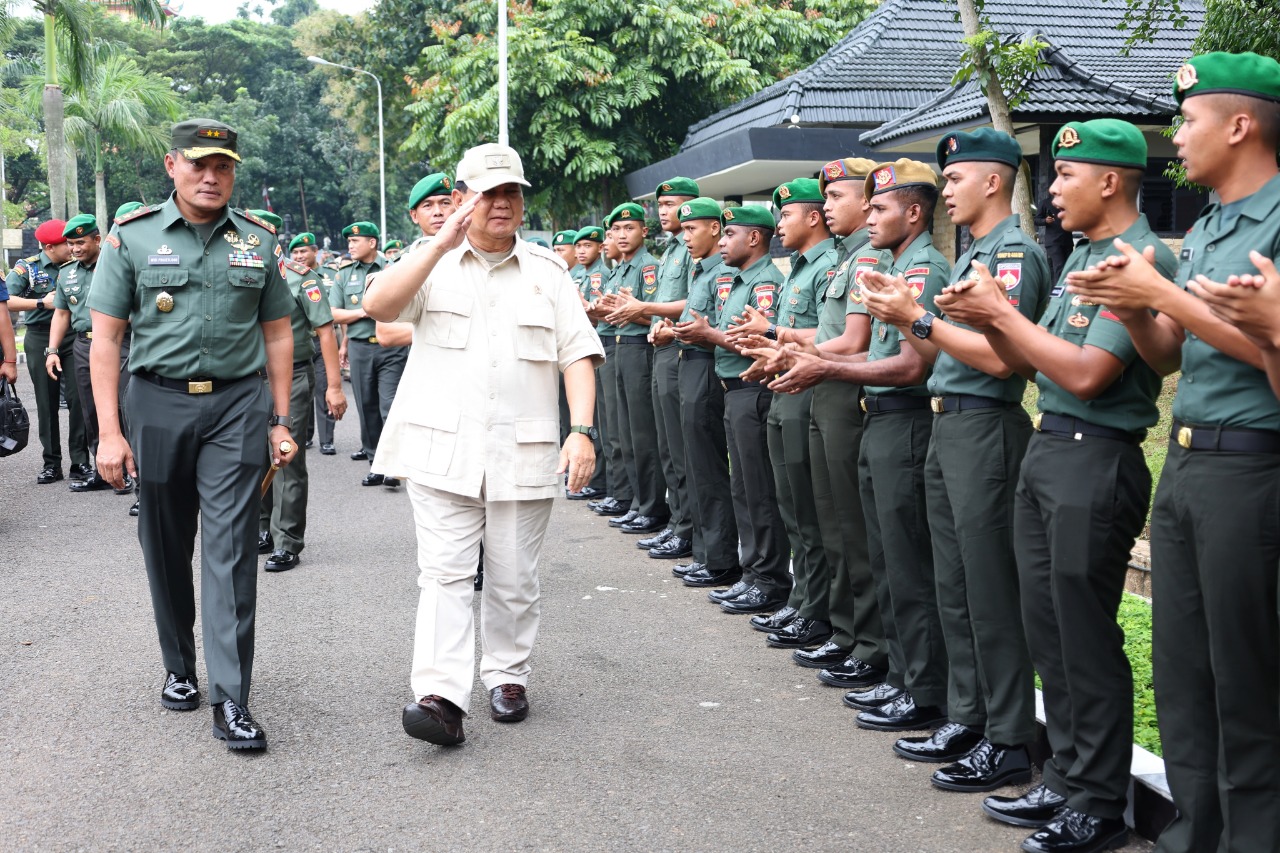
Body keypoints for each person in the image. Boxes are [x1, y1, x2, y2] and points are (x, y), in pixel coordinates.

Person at [940, 118, 1176, 853]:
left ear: (1110, 180)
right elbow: (1029, 358)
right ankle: (1069, 777)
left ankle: (1099, 803)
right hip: (1050, 451)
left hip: (1095, 457)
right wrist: (980, 317)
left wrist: (998, 314)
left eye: (1066, 176)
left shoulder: (1140, 258)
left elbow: (1085, 372)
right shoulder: (1082, 256)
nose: (1050, 191)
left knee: (1085, 634)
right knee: (1047, 629)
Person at [1065, 52, 1280, 853]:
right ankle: (1191, 835)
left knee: (1245, 681)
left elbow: (1268, 346)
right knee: (1183, 675)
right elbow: (1171, 356)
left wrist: (1164, 296)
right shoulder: (1211, 225)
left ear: (1240, 124)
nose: (1176, 136)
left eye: (1188, 121)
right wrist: (1139, 308)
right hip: (1186, 462)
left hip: (1251, 465)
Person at [363, 142, 603, 746]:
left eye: (511, 192)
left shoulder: (548, 272)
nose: (501, 203)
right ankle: (440, 697)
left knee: (513, 577)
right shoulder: (428, 260)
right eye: (488, 193)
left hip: (523, 451)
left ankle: (507, 674)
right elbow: (379, 307)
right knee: (443, 575)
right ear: (460, 199)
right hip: (441, 451)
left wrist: (581, 431)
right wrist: (438, 245)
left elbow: (577, 354)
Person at [88, 118, 299, 751]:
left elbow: (278, 334)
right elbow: (106, 340)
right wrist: (109, 433)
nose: (211, 176)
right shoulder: (131, 237)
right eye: (199, 164)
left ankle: (231, 699)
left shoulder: (258, 241)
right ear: (172, 165)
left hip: (237, 405)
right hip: (157, 402)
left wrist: (281, 419)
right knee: (165, 542)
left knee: (231, 551)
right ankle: (179, 666)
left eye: (223, 166)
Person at [864, 130, 1050, 792]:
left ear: (993, 182)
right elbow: (944, 348)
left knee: (990, 590)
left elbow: (1001, 360)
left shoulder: (1013, 256)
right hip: (949, 425)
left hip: (985, 427)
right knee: (957, 585)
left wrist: (917, 319)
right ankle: (969, 717)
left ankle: (1008, 737)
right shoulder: (972, 254)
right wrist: (909, 317)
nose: (945, 190)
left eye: (955, 178)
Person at [731, 179, 838, 649]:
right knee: (793, 508)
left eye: (786, 215)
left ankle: (817, 609)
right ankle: (803, 599)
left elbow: (831, 334)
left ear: (812, 218)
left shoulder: (828, 265)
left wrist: (774, 332)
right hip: (782, 388)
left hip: (807, 393)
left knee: (812, 512)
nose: (779, 226)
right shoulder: (797, 266)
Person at [674, 204, 789, 614]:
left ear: (754, 238)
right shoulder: (739, 280)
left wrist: (710, 335)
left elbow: (759, 343)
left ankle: (770, 580)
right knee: (743, 489)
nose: (722, 242)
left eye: (729, 234)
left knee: (760, 491)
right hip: (733, 389)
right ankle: (752, 574)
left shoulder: (764, 283)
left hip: (753, 388)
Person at [603, 178, 700, 558]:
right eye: (661, 205)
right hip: (658, 347)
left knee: (673, 446)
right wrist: (641, 312)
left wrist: (645, 311)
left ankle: (676, 522)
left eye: (672, 204)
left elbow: (692, 302)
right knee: (660, 444)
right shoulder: (672, 250)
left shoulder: (686, 252)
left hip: (678, 351)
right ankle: (673, 520)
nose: (664, 211)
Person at [252, 211, 347, 571]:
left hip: (291, 374)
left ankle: (287, 540)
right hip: (248, 377)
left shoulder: (299, 277)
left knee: (286, 457)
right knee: (254, 457)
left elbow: (325, 330)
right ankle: (263, 529)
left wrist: (334, 387)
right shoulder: (240, 272)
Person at [670, 198, 741, 589]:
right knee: (695, 463)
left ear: (714, 229)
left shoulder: (723, 274)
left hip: (708, 367)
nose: (685, 237)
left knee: (710, 467)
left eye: (691, 228)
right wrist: (669, 329)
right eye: (682, 230)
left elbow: (720, 328)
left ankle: (721, 558)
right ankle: (705, 552)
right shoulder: (700, 270)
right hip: (689, 363)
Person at [599, 202, 669, 535]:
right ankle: (636, 502)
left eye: (629, 228)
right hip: (619, 347)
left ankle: (651, 507)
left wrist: (631, 312)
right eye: (617, 230)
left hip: (640, 348)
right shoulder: (621, 269)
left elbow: (653, 314)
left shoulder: (647, 267)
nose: (622, 235)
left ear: (644, 230)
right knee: (624, 432)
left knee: (643, 434)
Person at [46, 214, 130, 495]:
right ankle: (104, 469)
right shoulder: (67, 273)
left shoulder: (116, 264)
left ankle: (133, 471)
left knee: (125, 406)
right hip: (84, 345)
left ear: (97, 239)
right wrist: (52, 351)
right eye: (70, 244)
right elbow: (61, 314)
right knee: (90, 408)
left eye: (80, 242)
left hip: (121, 343)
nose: (74, 249)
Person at [5, 219, 90, 484]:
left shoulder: (78, 265)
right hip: (40, 336)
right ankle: (51, 463)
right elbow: (7, 300)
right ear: (50, 247)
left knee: (79, 400)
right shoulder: (27, 268)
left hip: (73, 336)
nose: (72, 247)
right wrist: (42, 302)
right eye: (66, 243)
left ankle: (80, 462)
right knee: (46, 401)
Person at [329, 220, 405, 487]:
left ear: (372, 243)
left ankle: (393, 466)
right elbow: (333, 313)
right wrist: (365, 311)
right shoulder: (343, 275)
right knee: (367, 406)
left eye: (355, 241)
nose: (350, 246)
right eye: (349, 241)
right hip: (360, 347)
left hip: (392, 347)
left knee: (389, 405)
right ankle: (376, 464)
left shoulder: (393, 269)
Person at [566, 224, 609, 501]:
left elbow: (595, 313)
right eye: (578, 246)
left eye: (588, 246)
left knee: (603, 424)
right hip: (587, 347)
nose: (581, 251)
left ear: (599, 248)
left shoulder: (598, 275)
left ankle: (603, 481)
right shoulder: (579, 274)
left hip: (601, 345)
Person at [289, 232, 338, 455]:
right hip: (301, 342)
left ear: (315, 252)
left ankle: (327, 439)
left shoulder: (329, 275)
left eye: (303, 251)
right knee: (303, 396)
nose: (299, 256)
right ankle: (306, 435)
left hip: (321, 341)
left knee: (323, 389)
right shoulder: (283, 275)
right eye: (295, 252)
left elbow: (330, 320)